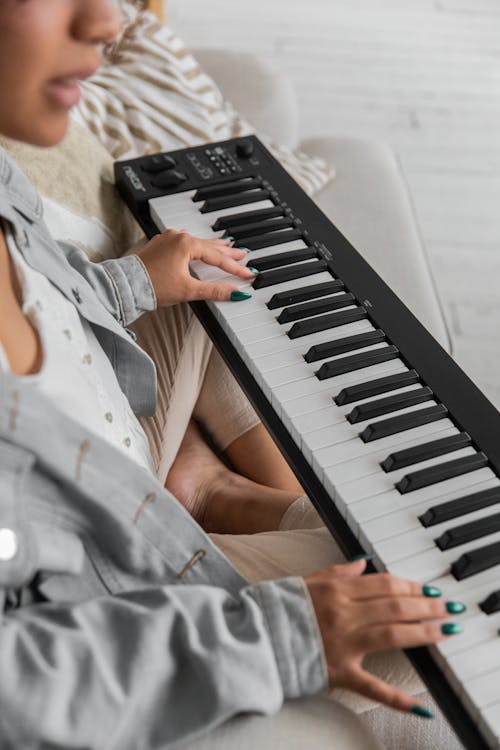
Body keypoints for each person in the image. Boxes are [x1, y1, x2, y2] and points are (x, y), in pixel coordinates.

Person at [0, 1, 466, 748]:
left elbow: (41, 295)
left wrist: (130, 286)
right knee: (462, 586)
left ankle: (210, 487)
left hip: (115, 452)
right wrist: (283, 635)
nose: (106, 22)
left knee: (217, 258)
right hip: (122, 591)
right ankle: (223, 496)